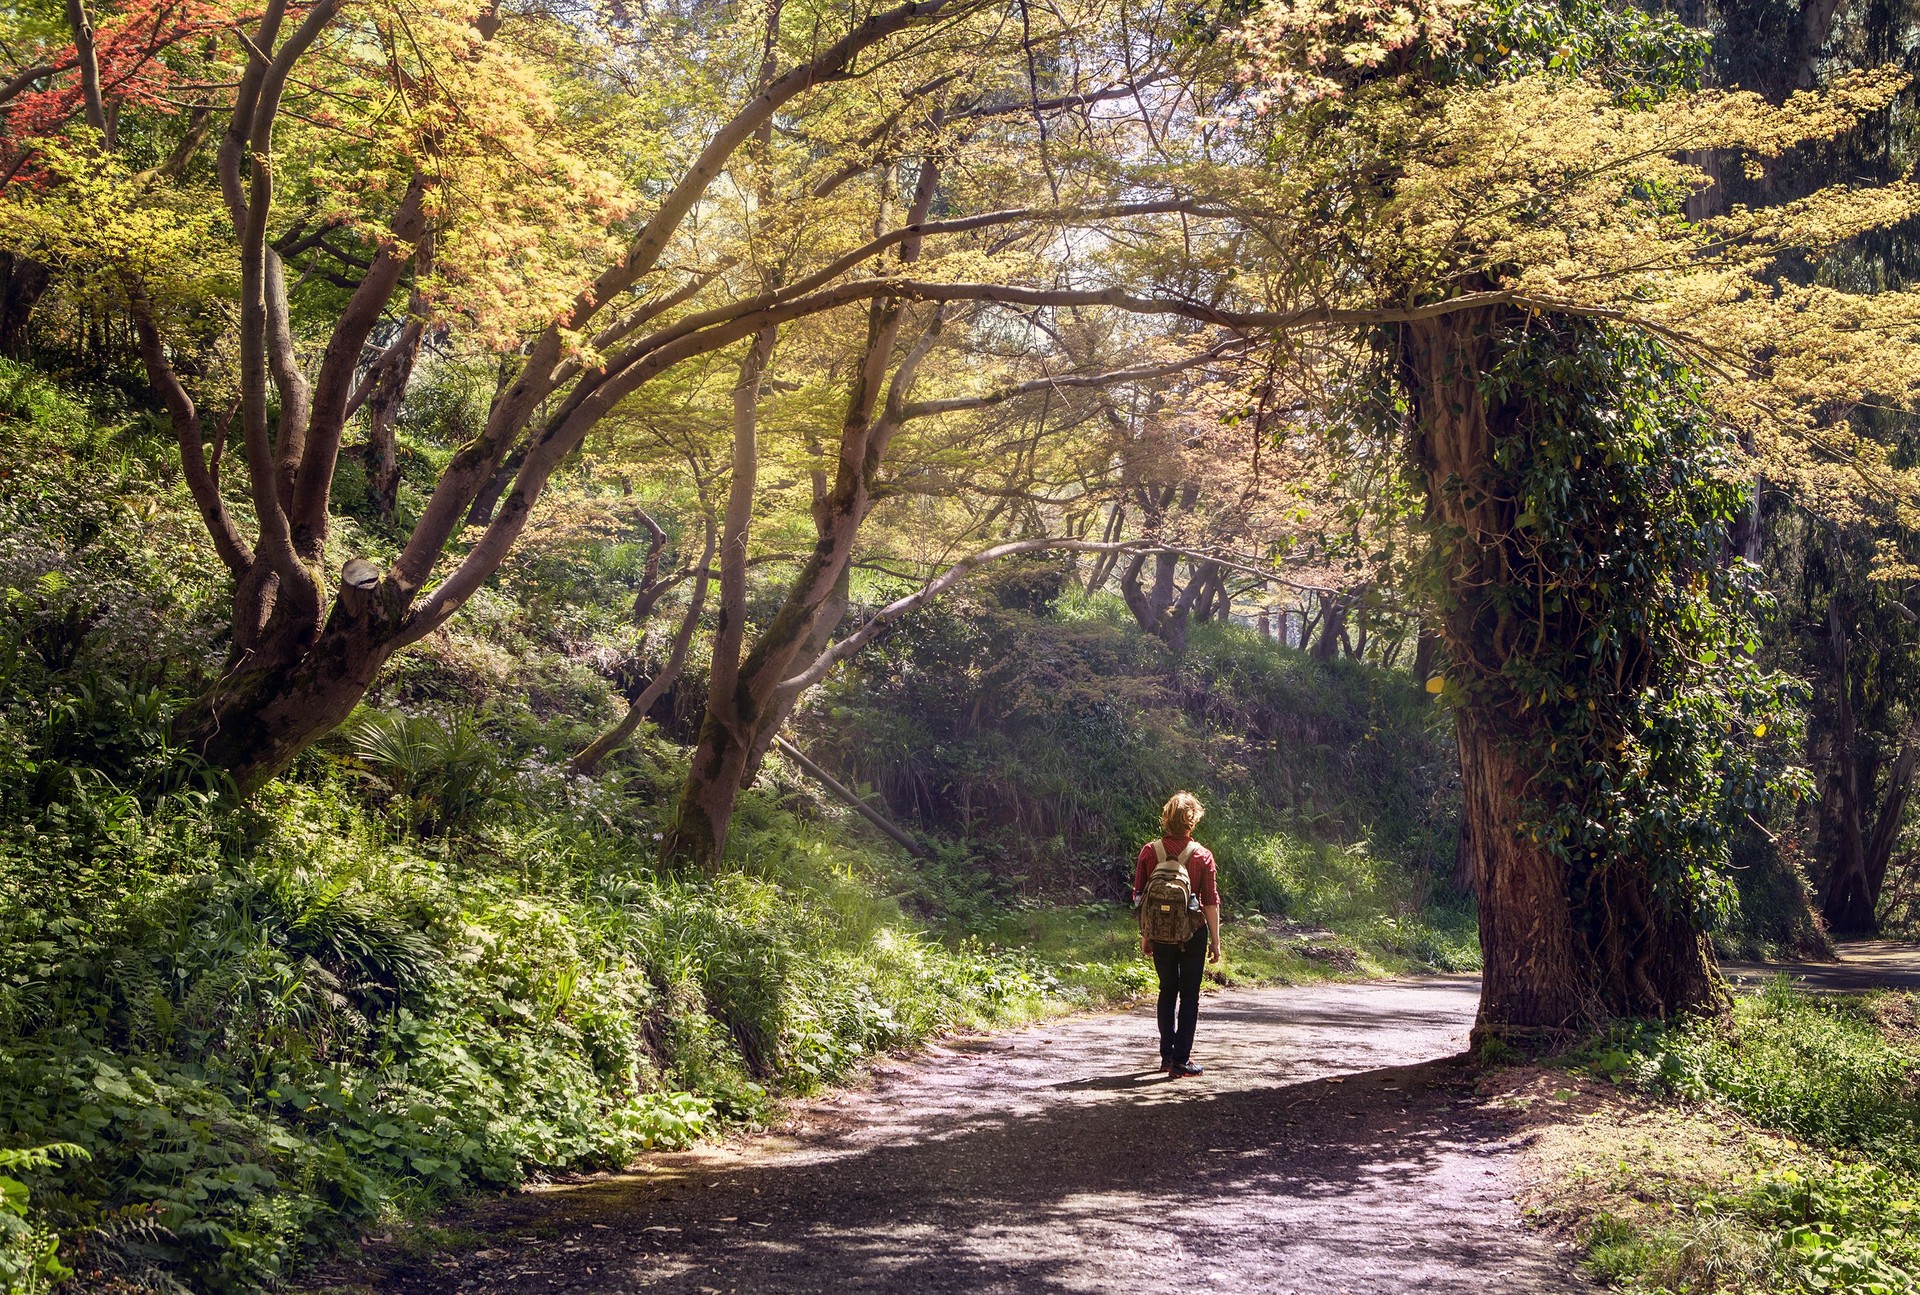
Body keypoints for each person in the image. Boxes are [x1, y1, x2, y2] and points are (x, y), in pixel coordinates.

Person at [1135, 791, 1221, 1078]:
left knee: (1167, 990)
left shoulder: (1150, 851)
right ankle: (1181, 1061)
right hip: (1193, 934)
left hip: (1160, 935)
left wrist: (1146, 934)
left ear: (1165, 819)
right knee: (1190, 995)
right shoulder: (1202, 855)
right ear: (1191, 821)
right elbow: (1210, 901)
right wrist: (1216, 942)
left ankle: (1166, 1056)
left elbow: (1140, 898)